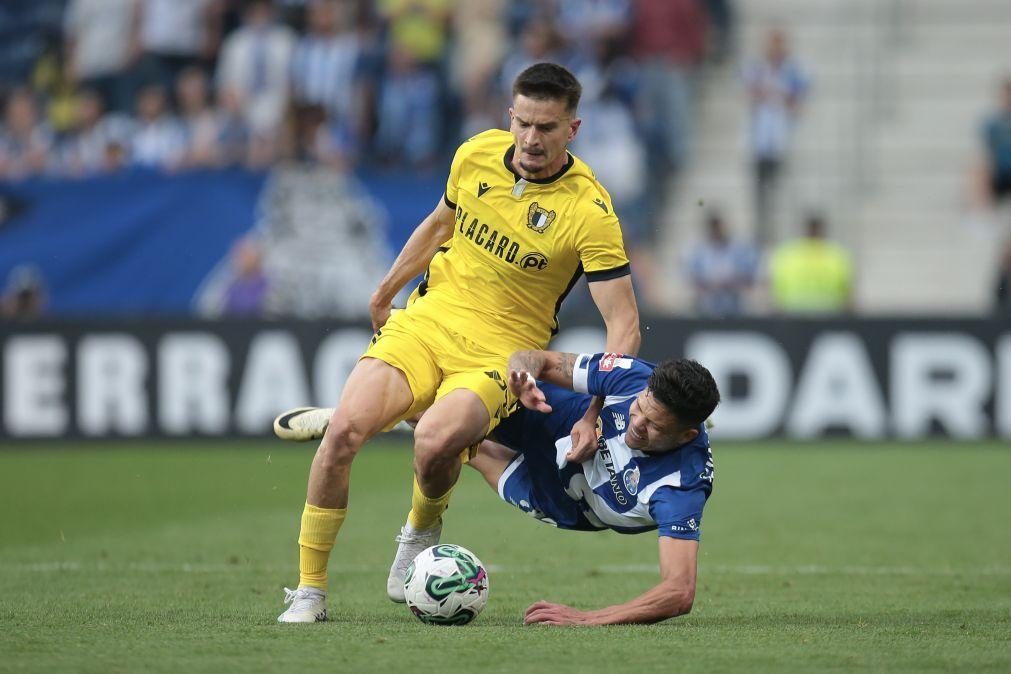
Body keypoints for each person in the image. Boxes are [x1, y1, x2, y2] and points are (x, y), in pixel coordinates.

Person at [274, 62, 641, 623]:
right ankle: (309, 592)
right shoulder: (475, 155)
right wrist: (385, 290)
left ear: (574, 129)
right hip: (428, 322)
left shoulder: (589, 211)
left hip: (503, 353)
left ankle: (419, 529)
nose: (531, 139)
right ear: (509, 116)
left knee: (436, 444)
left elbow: (624, 325)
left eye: (546, 128)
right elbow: (441, 224)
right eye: (523, 123)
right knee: (345, 433)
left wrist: (596, 410)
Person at [274, 347, 720, 625]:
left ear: (685, 435)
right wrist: (523, 378)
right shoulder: (636, 376)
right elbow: (536, 358)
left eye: (652, 426)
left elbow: (678, 592)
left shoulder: (680, 486)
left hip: (566, 499)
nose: (635, 425)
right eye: (639, 410)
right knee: (459, 412)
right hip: (557, 414)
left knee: (456, 447)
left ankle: (377, 423)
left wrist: (587, 619)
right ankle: (360, 422)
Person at [743, 27, 809, 245]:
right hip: (761, 140)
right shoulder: (758, 69)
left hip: (782, 140)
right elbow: (751, 94)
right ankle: (761, 234)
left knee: (781, 190)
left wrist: (776, 95)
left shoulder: (793, 71)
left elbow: (797, 100)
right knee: (760, 192)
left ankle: (784, 234)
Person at [769, 213, 852, 314]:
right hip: (828, 312)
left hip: (793, 312)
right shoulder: (836, 254)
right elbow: (847, 291)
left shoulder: (788, 253)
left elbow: (775, 287)